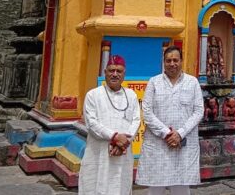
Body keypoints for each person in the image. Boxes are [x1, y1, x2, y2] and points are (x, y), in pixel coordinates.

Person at [137, 46, 204, 195]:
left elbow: (199, 111)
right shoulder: (154, 82)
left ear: (181, 61)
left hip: (183, 144)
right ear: (164, 62)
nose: (172, 64)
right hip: (158, 144)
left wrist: (180, 134)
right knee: (155, 188)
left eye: (175, 60)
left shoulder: (192, 82)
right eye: (168, 60)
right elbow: (147, 112)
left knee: (181, 188)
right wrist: (167, 133)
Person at [79, 55, 141, 195]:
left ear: (124, 74)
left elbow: (136, 120)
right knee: (95, 187)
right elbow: (91, 123)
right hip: (99, 153)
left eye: (119, 71)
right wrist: (114, 137)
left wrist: (123, 143)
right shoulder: (93, 95)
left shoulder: (131, 95)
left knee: (120, 187)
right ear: (105, 72)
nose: (115, 74)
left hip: (123, 152)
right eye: (111, 70)